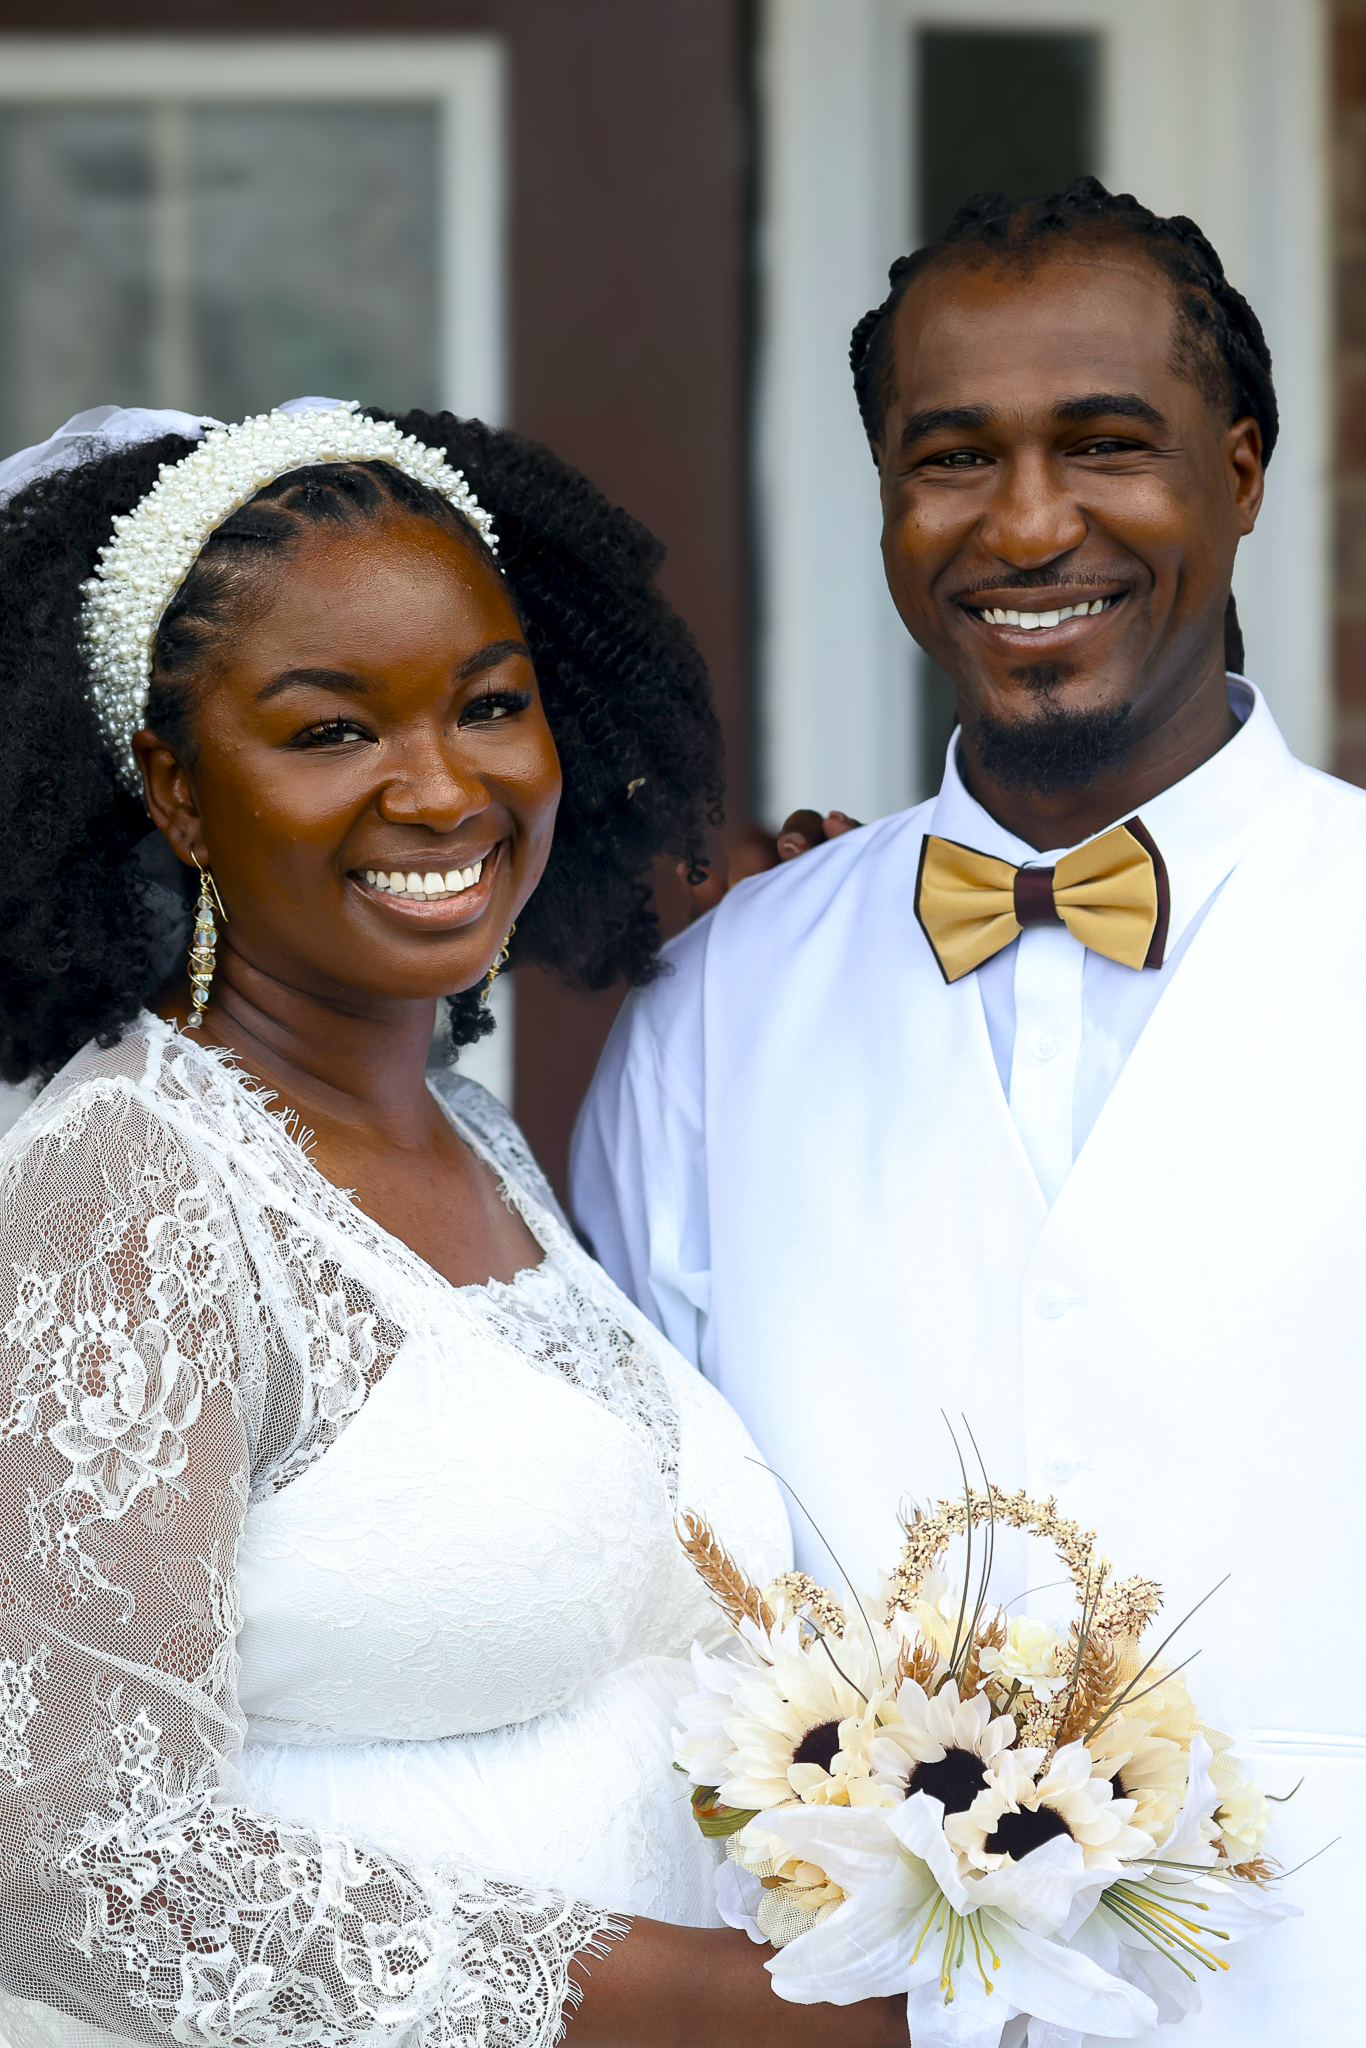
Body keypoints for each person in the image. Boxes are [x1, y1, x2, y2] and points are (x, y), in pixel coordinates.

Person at [0, 401, 910, 2048]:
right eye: (331, 729)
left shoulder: (469, 1140)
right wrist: (742, 2013)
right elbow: (72, 1861)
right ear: (176, 792)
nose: (441, 787)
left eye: (490, 707)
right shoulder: (130, 1189)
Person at [571, 179, 1364, 2042]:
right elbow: (642, 1586)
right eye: (950, 457)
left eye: (1106, 446)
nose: (1026, 524)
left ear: (1241, 473)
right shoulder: (710, 1005)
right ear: (880, 497)